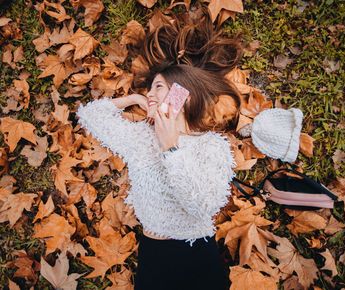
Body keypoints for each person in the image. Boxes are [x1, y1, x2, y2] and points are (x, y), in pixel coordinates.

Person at [76, 4, 244, 290]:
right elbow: (89, 116)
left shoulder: (211, 146)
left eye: (159, 88)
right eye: (150, 87)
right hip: (153, 256)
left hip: (196, 255)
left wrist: (171, 149)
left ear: (183, 96)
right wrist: (134, 101)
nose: (150, 94)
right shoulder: (142, 137)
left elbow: (203, 206)